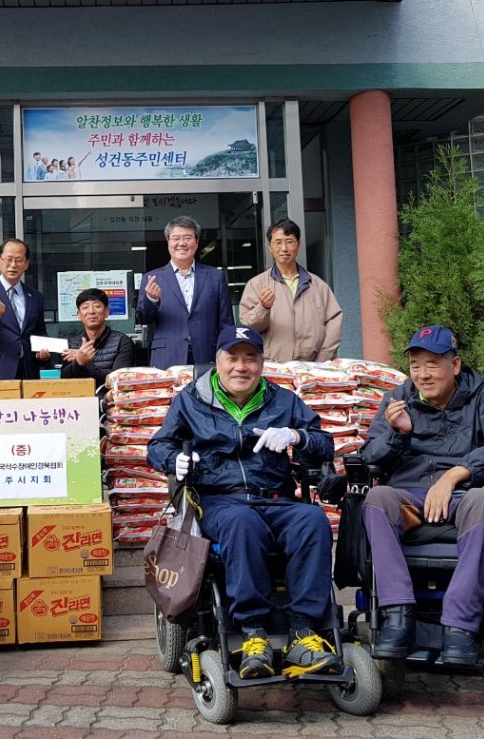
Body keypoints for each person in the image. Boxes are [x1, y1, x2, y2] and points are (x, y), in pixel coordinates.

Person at [146, 325, 341, 680]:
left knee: (312, 520)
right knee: (242, 523)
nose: (241, 367)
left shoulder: (283, 400)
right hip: (220, 501)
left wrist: (296, 434)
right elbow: (158, 446)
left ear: (262, 363)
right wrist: (174, 460)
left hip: (277, 498)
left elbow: (324, 442)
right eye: (232, 358)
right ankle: (253, 632)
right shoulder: (191, 400)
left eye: (250, 358)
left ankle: (303, 630)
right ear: (217, 361)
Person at [360, 325, 484, 664]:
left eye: (432, 364)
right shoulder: (397, 399)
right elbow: (370, 458)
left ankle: (459, 626)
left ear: (454, 365)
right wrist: (397, 434)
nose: (422, 375)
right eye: (415, 365)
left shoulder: (482, 395)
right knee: (377, 500)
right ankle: (397, 615)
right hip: (409, 500)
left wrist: (455, 474)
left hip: (464, 498)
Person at [135, 215, 234, 369]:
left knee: (206, 394)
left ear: (196, 242)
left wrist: (228, 355)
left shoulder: (215, 277)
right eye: (176, 238)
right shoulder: (152, 278)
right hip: (167, 355)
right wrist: (151, 299)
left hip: (207, 355)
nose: (181, 243)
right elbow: (143, 318)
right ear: (168, 241)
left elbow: (226, 323)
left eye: (188, 237)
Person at [239, 219, 342, 362]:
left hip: (313, 367)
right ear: (269, 246)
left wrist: (322, 361)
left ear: (298, 245)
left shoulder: (317, 285)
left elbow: (333, 321)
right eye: (278, 242)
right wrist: (263, 307)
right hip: (273, 366)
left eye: (289, 241)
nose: (284, 248)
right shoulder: (257, 284)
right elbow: (248, 327)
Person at [0, 238, 50, 380]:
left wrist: (42, 349)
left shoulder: (36, 296)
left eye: (19, 260)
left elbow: (39, 330)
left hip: (28, 369)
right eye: (9, 259)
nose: (13, 265)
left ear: (26, 264)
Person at [60, 288, 135, 390]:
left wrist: (85, 363)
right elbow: (64, 379)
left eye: (97, 306)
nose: (91, 311)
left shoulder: (123, 342)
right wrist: (78, 362)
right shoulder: (72, 343)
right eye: (85, 307)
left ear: (107, 311)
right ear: (79, 315)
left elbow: (119, 379)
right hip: (79, 400)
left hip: (111, 401)